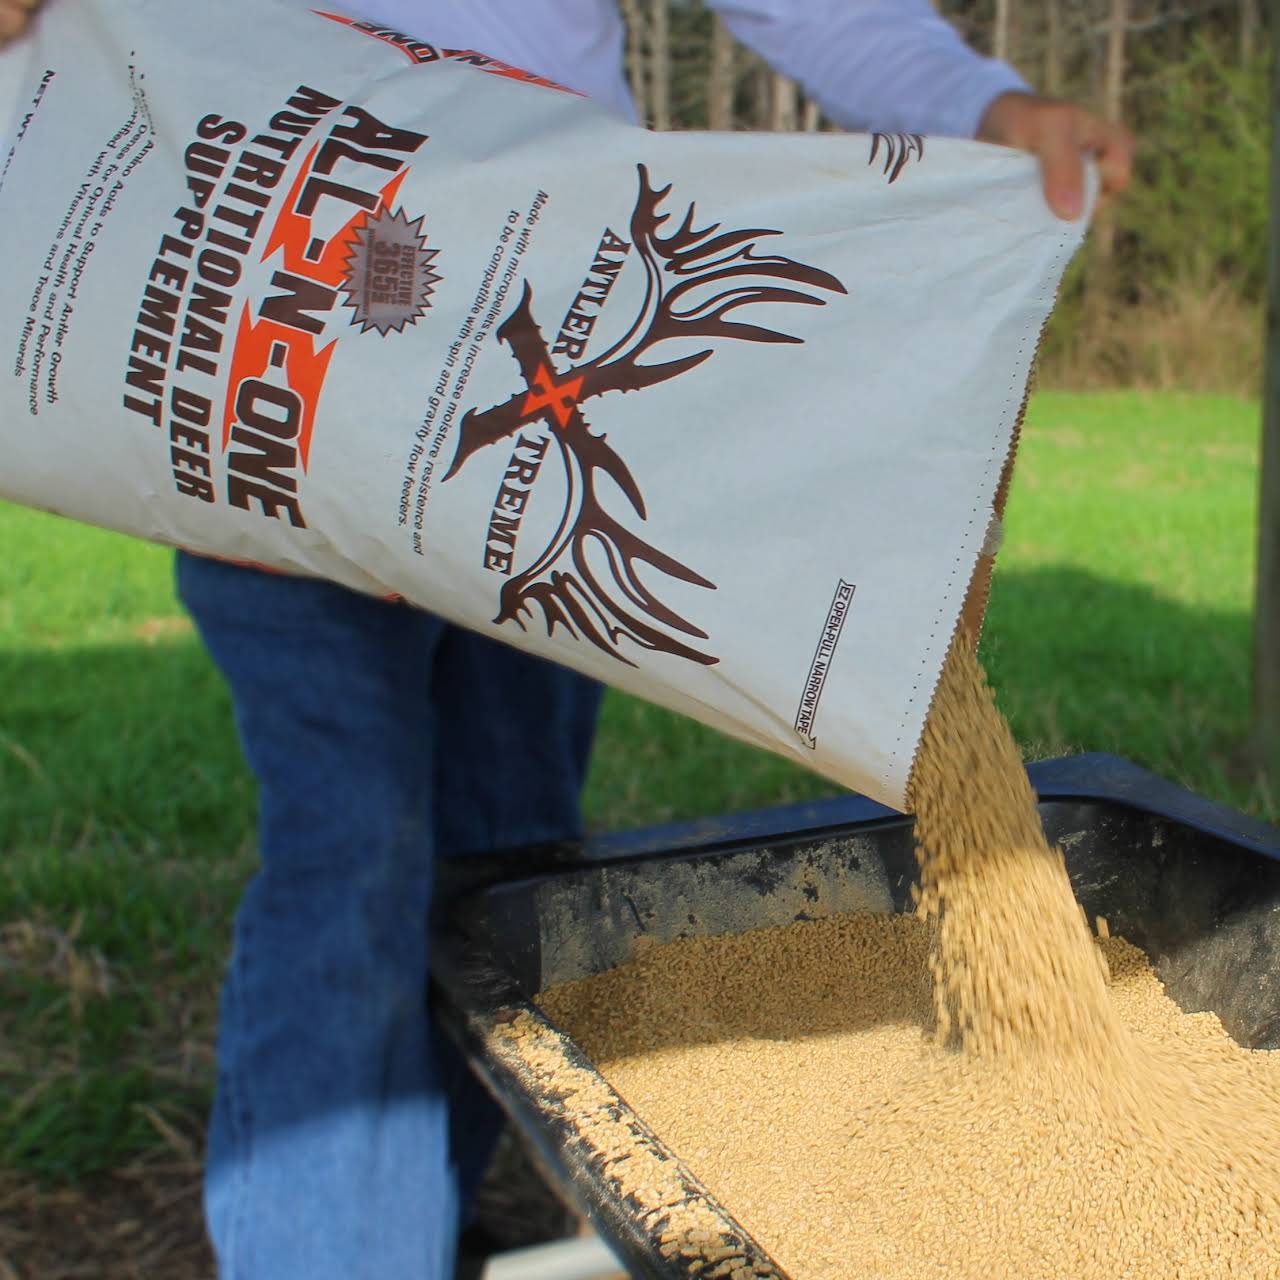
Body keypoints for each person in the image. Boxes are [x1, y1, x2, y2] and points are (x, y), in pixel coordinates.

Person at [1, 3, 1134, 1278]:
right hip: (273, 373)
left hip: (542, 342)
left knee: (507, 855)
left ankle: (419, 1212)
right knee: (354, 850)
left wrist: (971, 103)